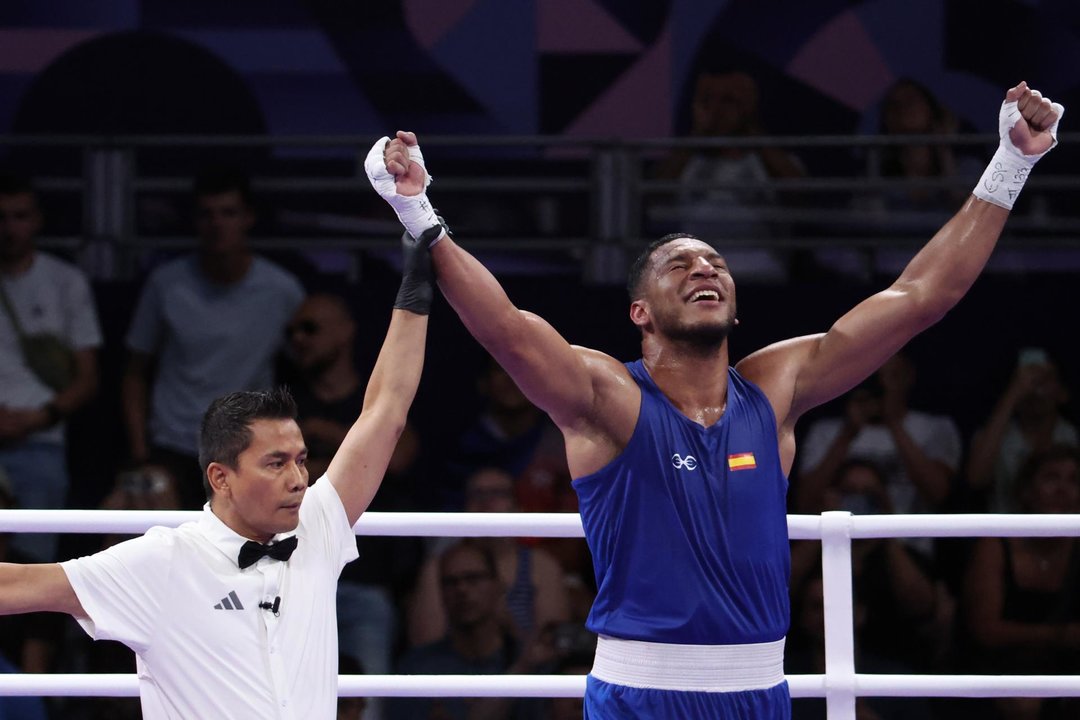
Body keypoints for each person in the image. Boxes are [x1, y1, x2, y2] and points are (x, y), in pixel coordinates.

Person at [366, 81, 1063, 717]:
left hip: (759, 690)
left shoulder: (776, 388)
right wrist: (417, 211)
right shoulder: (608, 400)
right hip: (641, 692)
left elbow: (920, 297)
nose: (705, 268)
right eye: (681, 264)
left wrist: (1011, 162)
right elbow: (510, 333)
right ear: (640, 311)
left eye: (717, 265)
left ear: (734, 305)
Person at [0, 226, 435, 718]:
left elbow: (386, 412)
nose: (298, 478)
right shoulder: (163, 561)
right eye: (275, 463)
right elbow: (15, 586)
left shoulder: (317, 525)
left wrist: (415, 289)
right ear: (221, 477)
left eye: (300, 459)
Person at [122, 168, 305, 508]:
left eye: (228, 213)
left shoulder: (282, 290)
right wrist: (141, 454)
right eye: (207, 214)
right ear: (194, 221)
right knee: (135, 518)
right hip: (172, 447)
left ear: (248, 218)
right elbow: (135, 373)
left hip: (251, 445)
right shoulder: (166, 284)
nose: (217, 224)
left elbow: (310, 364)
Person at [286, 292, 425, 720]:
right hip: (294, 578)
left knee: (368, 707)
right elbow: (278, 478)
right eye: (291, 332)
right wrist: (352, 457)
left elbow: (400, 453)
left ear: (346, 331)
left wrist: (321, 435)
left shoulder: (374, 402)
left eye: (310, 328)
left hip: (367, 581)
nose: (298, 340)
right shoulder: (285, 405)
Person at [0, 172, 102, 562]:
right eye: (1, 217)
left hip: (41, 441)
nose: (10, 228)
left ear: (37, 220)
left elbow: (88, 378)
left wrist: (37, 418)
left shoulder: (66, 282)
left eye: (19, 216)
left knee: (37, 566)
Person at [962, 444, 1080, 720]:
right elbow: (985, 631)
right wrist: (1061, 636)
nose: (1063, 489)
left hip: (1067, 667)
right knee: (1021, 701)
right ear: (1026, 490)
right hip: (994, 667)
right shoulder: (995, 543)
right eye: (1052, 477)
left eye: (1075, 480)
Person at [407, 467, 570, 647]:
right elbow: (425, 647)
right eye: (477, 494)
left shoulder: (542, 566)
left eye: (498, 493)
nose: (486, 501)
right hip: (455, 670)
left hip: (526, 669)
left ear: (517, 506)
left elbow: (551, 647)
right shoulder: (438, 566)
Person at [966, 349, 1077, 512]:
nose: (1035, 389)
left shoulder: (1072, 436)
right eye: (1028, 380)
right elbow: (976, 479)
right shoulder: (995, 436)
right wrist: (1014, 393)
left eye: (1044, 379)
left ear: (1063, 392)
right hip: (1007, 532)